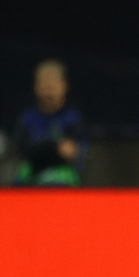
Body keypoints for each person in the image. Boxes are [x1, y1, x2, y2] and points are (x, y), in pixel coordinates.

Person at [13, 59, 85, 187]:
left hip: (63, 180)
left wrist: (41, 149)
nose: (49, 91)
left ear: (64, 86)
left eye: (53, 85)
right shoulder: (26, 119)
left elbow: (71, 152)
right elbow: (23, 151)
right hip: (31, 176)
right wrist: (54, 148)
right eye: (44, 85)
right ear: (36, 87)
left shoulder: (73, 119)